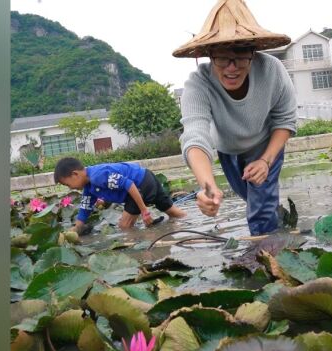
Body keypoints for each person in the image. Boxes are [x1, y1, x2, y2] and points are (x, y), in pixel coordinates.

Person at [172, 0, 296, 235]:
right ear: (209, 55)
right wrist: (207, 187)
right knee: (252, 199)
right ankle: (278, 225)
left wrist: (265, 161)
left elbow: (285, 121)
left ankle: (268, 257)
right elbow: (195, 136)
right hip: (228, 151)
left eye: (240, 55)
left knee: (260, 208)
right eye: (222, 57)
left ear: (253, 51)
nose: (232, 68)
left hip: (266, 144)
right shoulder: (198, 85)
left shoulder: (272, 70)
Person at [53, 157, 186, 233]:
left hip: (140, 184)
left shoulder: (98, 176)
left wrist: (144, 211)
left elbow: (129, 185)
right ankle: (189, 224)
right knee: (174, 213)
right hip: (147, 176)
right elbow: (85, 208)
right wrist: (76, 228)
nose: (69, 188)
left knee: (124, 226)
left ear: (75, 174)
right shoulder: (88, 187)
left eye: (67, 184)